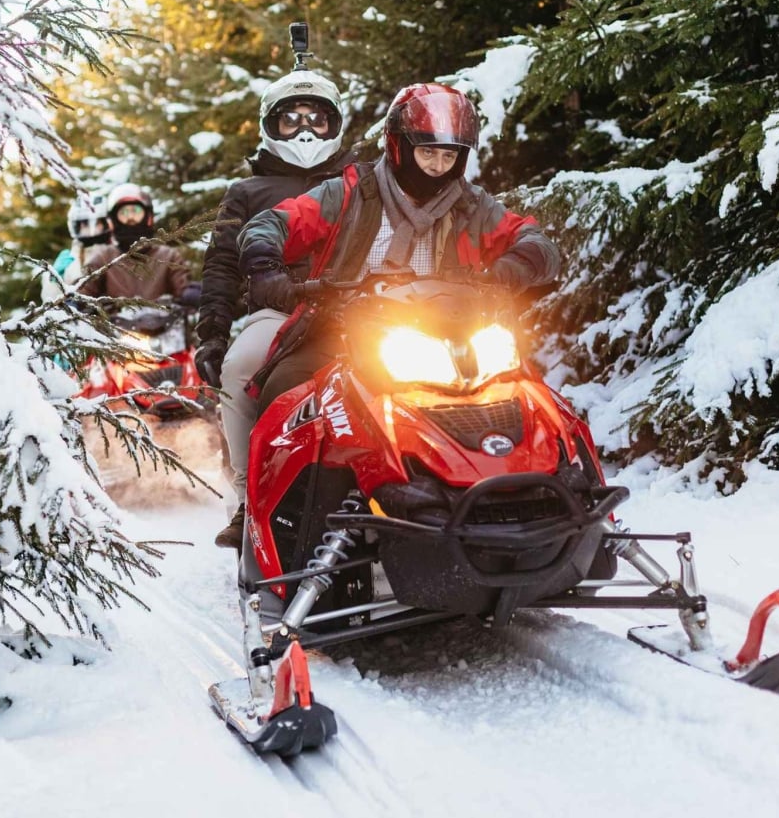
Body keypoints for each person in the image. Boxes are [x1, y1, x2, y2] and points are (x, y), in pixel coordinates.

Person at [237, 81, 562, 417]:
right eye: (427, 152)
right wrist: (265, 266)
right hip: (342, 330)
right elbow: (272, 223)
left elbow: (536, 243)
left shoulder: (472, 206)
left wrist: (508, 271)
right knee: (286, 388)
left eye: (449, 156)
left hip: (450, 334)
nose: (437, 166)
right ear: (399, 147)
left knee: (526, 398)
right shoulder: (350, 193)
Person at [194, 69, 355, 548]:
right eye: (291, 120)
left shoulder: (360, 179)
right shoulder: (246, 192)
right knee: (240, 368)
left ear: (334, 123)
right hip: (279, 314)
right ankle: (249, 499)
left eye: (316, 119)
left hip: (359, 312)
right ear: (271, 125)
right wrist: (213, 333)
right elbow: (222, 265)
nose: (305, 131)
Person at [79, 183, 197, 304]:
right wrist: (75, 303)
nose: (131, 218)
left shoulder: (168, 256)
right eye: (124, 213)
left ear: (148, 218)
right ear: (113, 221)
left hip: (162, 315)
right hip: (114, 316)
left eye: (136, 211)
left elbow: (182, 285)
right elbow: (84, 290)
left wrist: (191, 294)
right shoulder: (103, 257)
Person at [47, 193, 110, 294]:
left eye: (96, 223)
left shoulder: (116, 252)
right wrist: (54, 281)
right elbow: (51, 299)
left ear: (105, 224)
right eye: (85, 223)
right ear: (77, 226)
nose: (91, 229)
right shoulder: (71, 258)